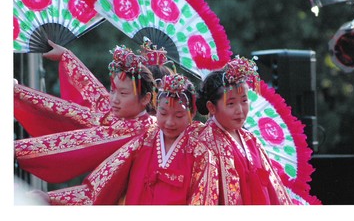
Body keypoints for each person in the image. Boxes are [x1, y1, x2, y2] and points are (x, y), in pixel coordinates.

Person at [45, 73, 219, 205]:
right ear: (155, 108)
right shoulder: (141, 141)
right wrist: (51, 198)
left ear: (192, 113)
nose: (170, 122)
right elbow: (101, 184)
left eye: (179, 115)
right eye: (163, 113)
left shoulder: (200, 153)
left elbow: (203, 202)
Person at [14, 43, 157, 183]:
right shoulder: (127, 115)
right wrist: (66, 57)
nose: (114, 99)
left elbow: (76, 143)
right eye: (113, 91)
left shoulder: (139, 131)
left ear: (146, 98)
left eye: (123, 93)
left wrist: (18, 149)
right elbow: (95, 95)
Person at [195, 56, 293, 205]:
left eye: (244, 101)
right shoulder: (205, 142)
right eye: (231, 103)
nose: (240, 110)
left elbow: (273, 189)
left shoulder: (251, 139)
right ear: (212, 107)